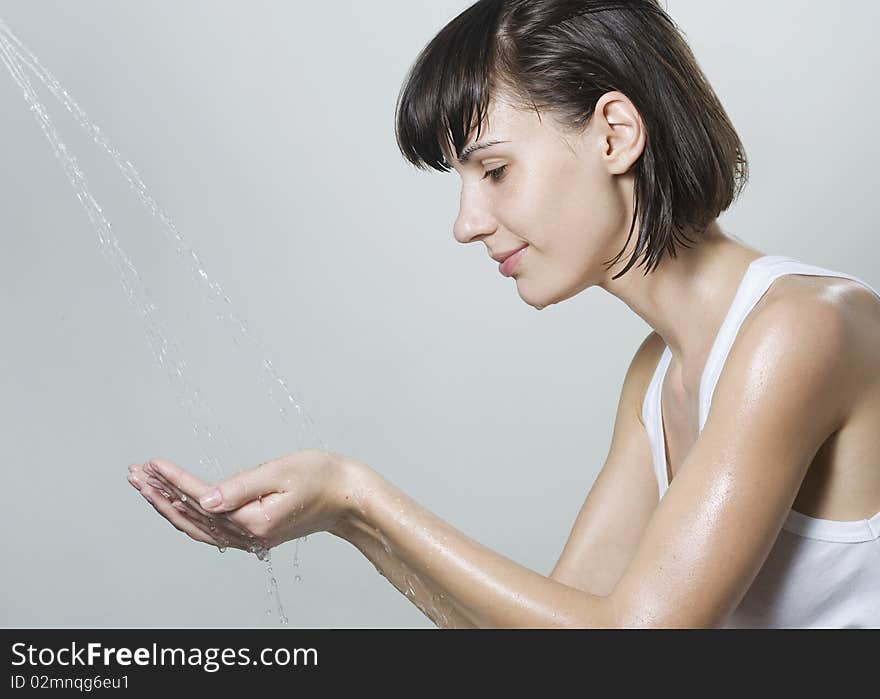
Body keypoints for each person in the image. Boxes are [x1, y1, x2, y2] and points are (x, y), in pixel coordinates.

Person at [127, 0, 880, 628]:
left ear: (615, 134)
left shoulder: (800, 330)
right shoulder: (656, 377)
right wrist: (345, 518)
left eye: (494, 170)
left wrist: (359, 494)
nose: (467, 222)